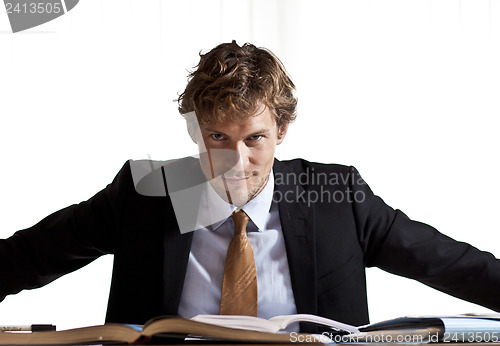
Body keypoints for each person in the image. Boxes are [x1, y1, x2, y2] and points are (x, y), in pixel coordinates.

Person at [0, 41, 499, 332]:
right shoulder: (148, 193)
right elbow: (27, 257)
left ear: (282, 131)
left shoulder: (335, 196)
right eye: (217, 137)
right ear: (197, 132)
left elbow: (447, 262)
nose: (235, 161)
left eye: (255, 138)